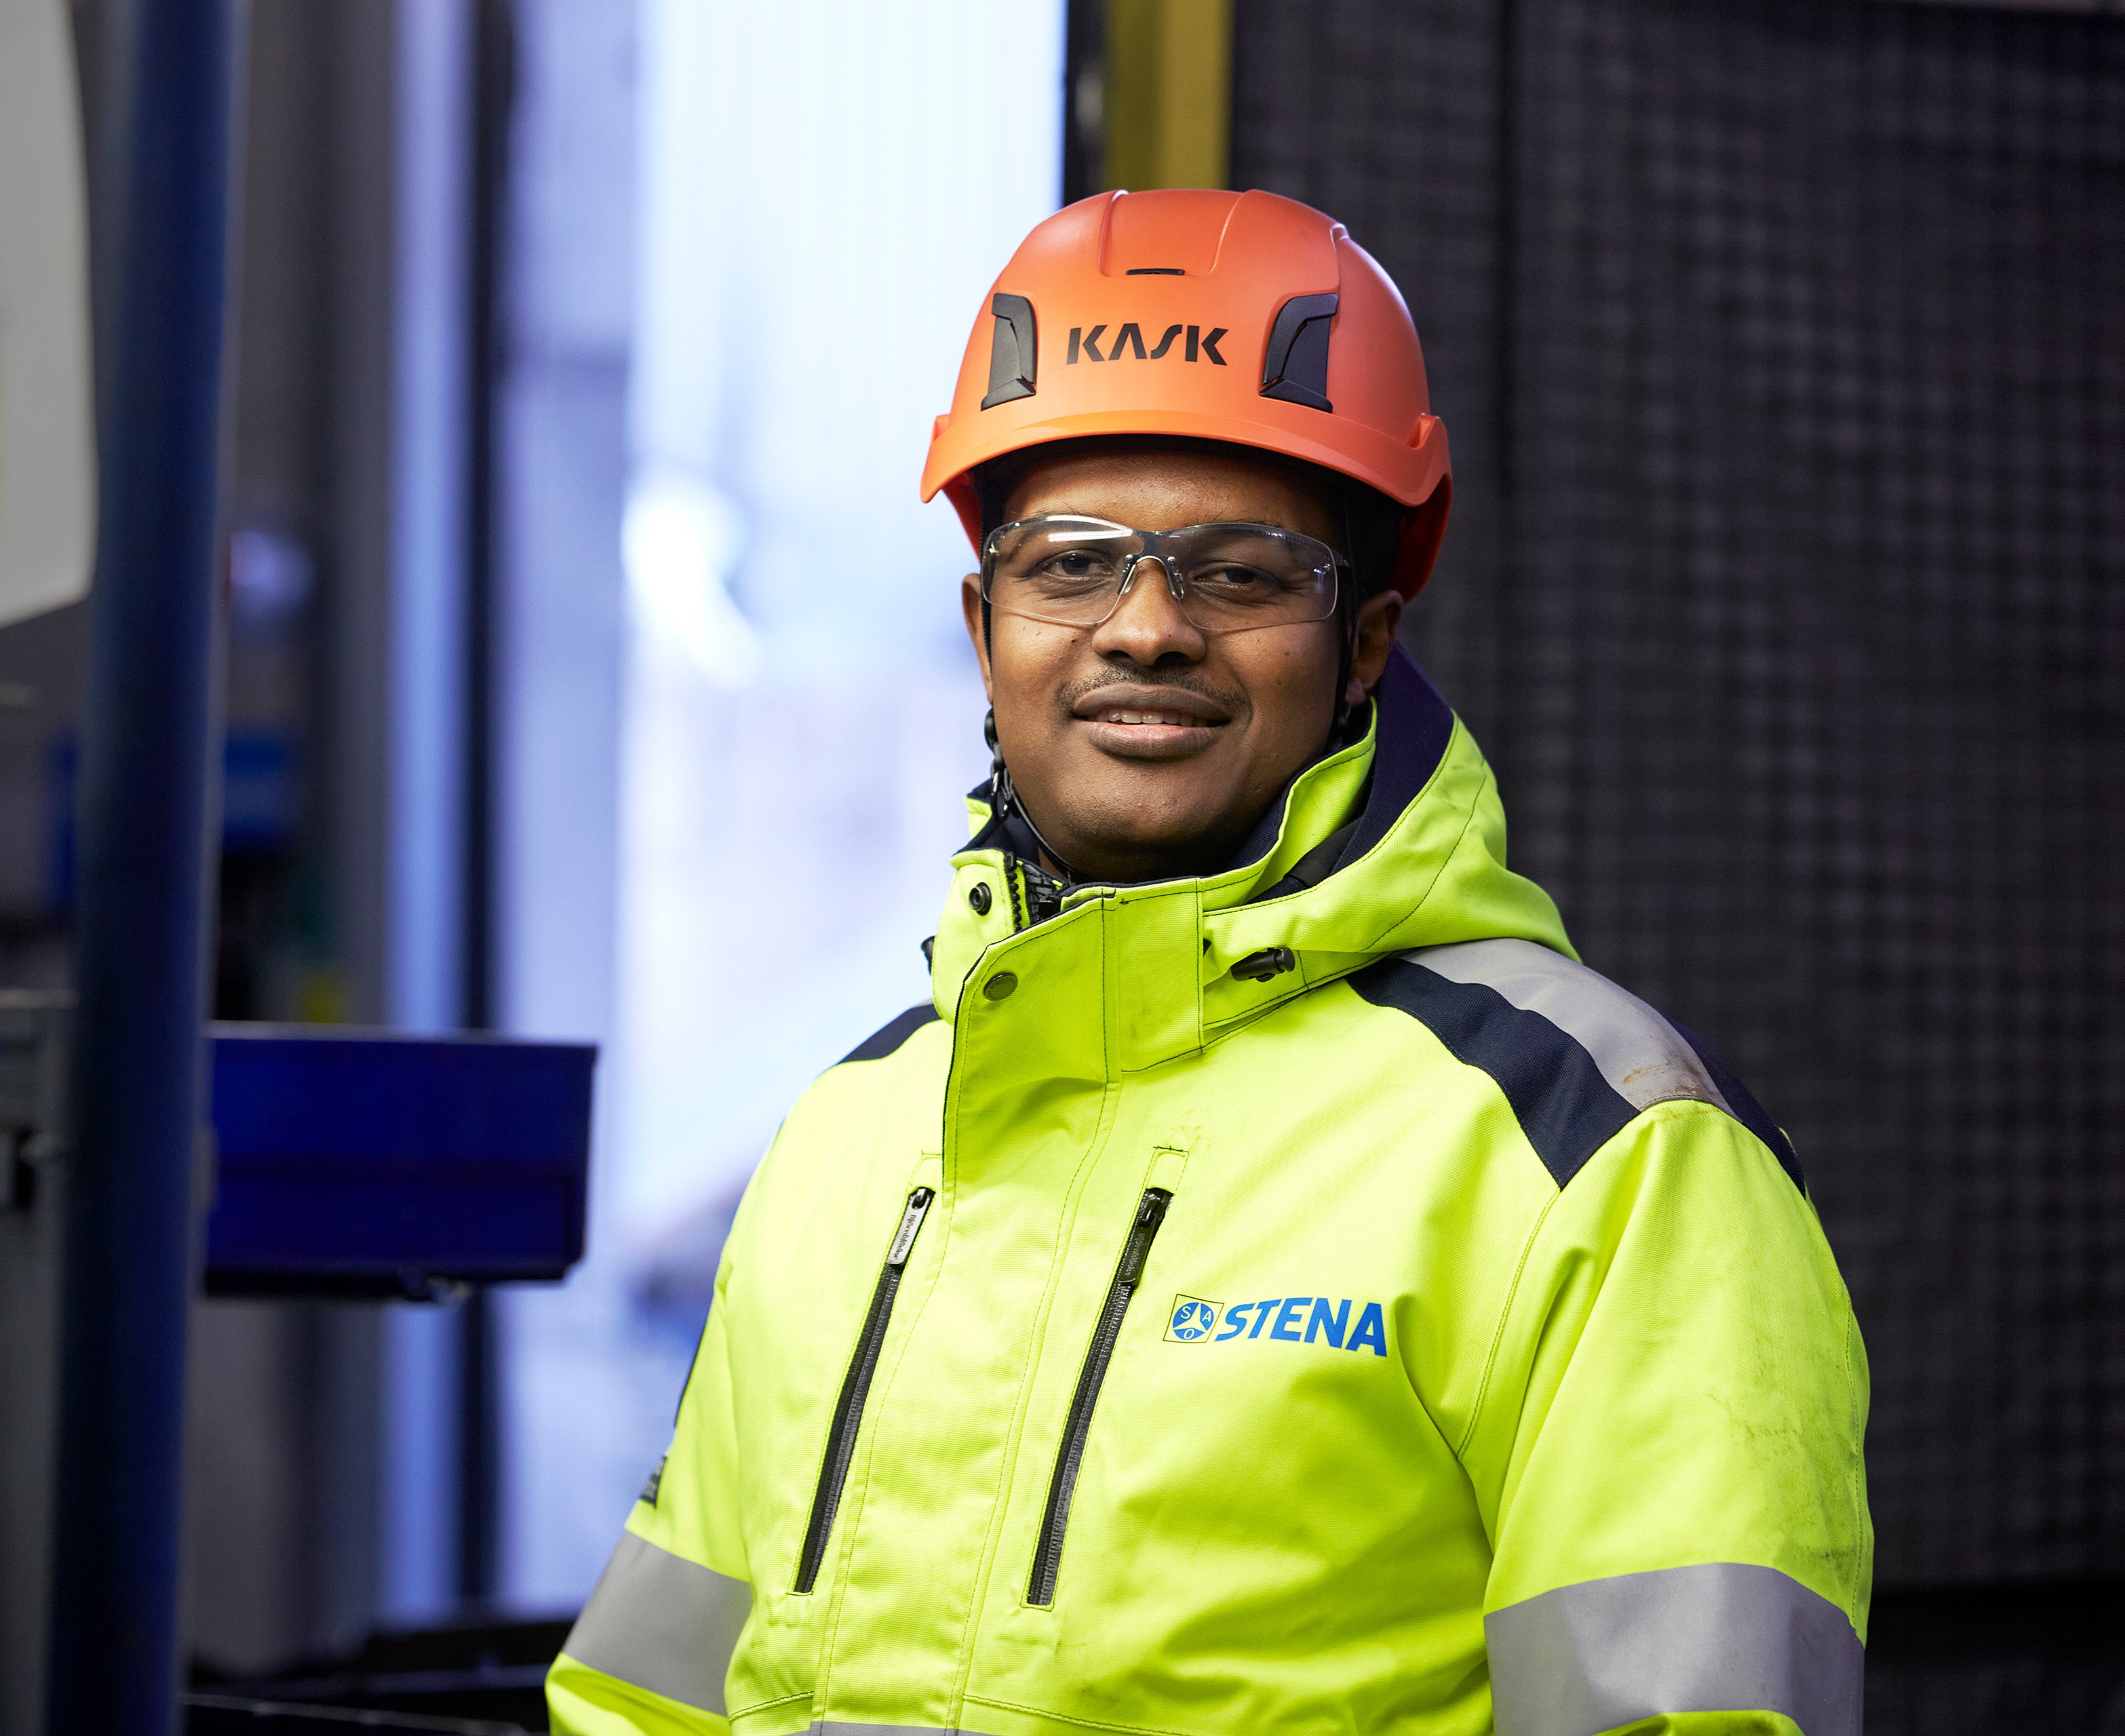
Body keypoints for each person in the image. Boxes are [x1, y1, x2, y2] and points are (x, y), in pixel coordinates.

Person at [547, 189, 1870, 1736]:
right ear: (984, 629)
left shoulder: (1601, 1156)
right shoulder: (848, 1136)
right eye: (1071, 564)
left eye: (1241, 572)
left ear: (1364, 642)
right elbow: (642, 1702)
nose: (1147, 628)